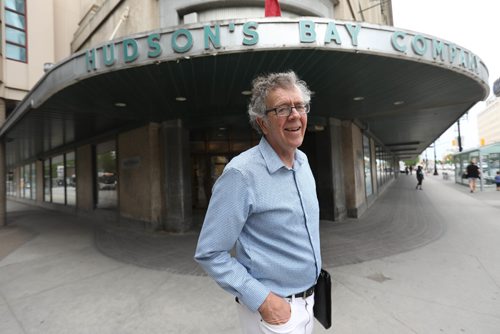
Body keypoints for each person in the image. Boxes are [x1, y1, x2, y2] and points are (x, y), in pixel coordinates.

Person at [194, 71, 321, 334]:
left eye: (300, 106)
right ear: (263, 123)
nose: (295, 115)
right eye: (283, 109)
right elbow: (210, 252)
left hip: (310, 302)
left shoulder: (303, 162)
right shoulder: (241, 174)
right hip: (274, 313)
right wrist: (264, 300)